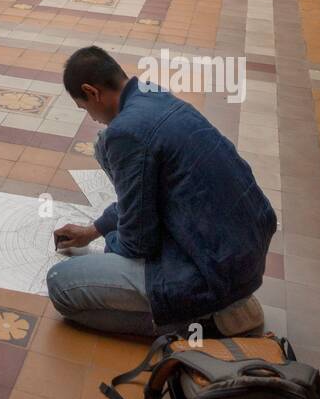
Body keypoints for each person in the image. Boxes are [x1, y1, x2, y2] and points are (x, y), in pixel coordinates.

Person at [47, 47, 276, 337]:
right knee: (104, 152)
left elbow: (137, 244)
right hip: (238, 253)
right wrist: (94, 230)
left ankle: (210, 320)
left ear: (92, 92)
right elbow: (145, 196)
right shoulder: (151, 94)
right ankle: (226, 305)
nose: (91, 118)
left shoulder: (126, 132)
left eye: (85, 108)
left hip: (212, 272)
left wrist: (111, 243)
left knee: (61, 285)